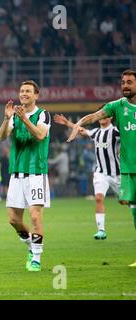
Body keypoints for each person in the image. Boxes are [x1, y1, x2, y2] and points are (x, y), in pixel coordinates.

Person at [67, 69, 136, 267]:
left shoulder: (115, 128)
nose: (125, 85)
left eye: (130, 82)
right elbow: (93, 116)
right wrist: (77, 124)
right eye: (123, 82)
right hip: (129, 170)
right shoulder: (117, 106)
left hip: (122, 171)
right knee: (134, 213)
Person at [0, 80, 51, 272]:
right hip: (16, 174)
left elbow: (40, 135)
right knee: (13, 220)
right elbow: (2, 137)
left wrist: (25, 119)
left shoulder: (43, 114)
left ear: (36, 95)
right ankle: (32, 245)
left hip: (36, 173)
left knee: (35, 217)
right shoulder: (14, 116)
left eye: (28, 91)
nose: (24, 94)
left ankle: (36, 259)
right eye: (22, 91)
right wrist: (6, 118)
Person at [55, 113, 120, 240]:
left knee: (126, 201)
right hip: (100, 173)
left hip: (117, 174)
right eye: (100, 115)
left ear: (111, 117)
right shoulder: (96, 132)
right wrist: (68, 123)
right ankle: (101, 230)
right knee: (99, 198)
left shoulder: (116, 132)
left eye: (105, 115)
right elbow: (82, 130)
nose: (102, 117)